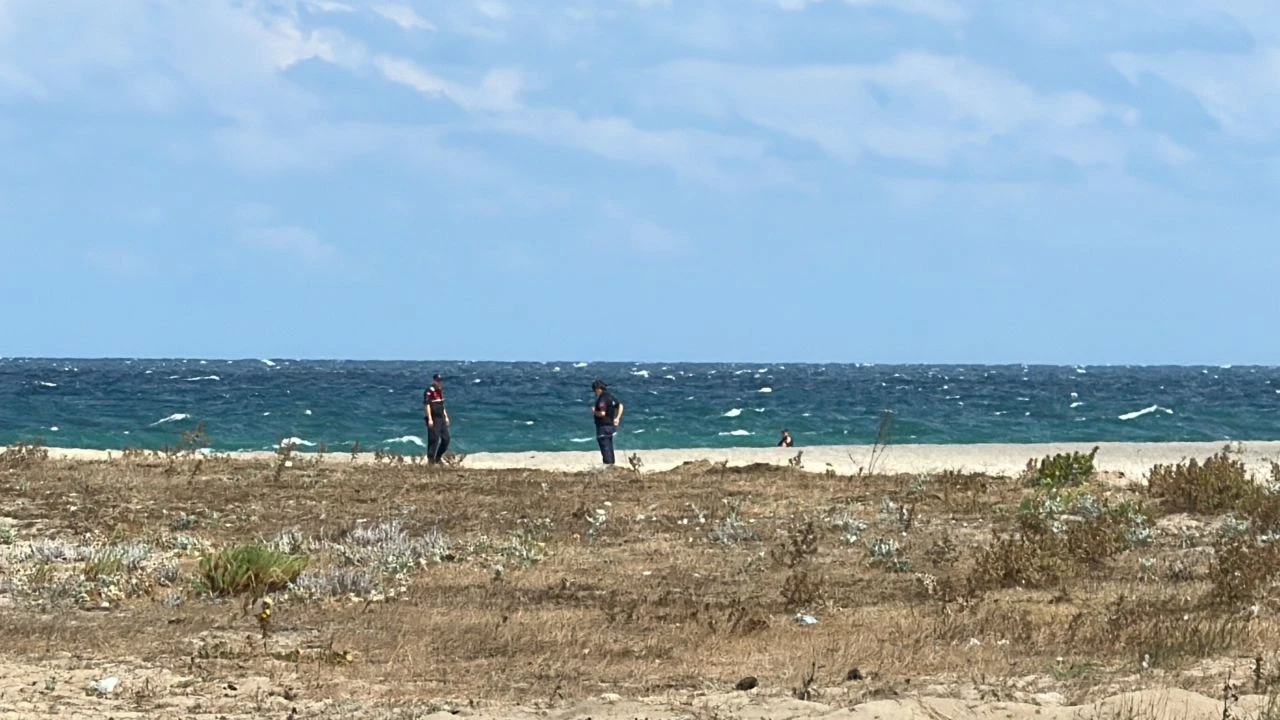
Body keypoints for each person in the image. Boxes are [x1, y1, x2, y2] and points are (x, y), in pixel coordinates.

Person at [591, 380, 623, 465]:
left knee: (605, 447)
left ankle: (608, 466)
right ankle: (611, 464)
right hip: (610, 426)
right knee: (609, 447)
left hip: (603, 426)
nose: (594, 392)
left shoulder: (602, 399)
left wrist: (594, 412)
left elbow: (602, 413)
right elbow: (620, 405)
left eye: (594, 390)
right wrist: (617, 418)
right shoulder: (610, 396)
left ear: (598, 389)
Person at [423, 373, 451, 463]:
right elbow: (427, 405)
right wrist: (430, 418)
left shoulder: (440, 391)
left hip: (441, 417)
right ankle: (431, 460)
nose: (439, 382)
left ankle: (438, 457)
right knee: (434, 439)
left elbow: (442, 405)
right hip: (434, 418)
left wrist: (446, 417)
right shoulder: (429, 391)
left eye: (440, 381)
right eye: (437, 380)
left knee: (446, 439)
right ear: (434, 380)